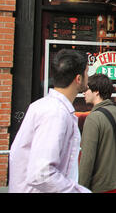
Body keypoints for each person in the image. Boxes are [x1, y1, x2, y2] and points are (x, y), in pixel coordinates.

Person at [9, 49, 91, 193]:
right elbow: (42, 174)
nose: (88, 77)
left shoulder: (43, 106)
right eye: (87, 72)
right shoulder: (56, 113)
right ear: (78, 79)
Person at [79, 74, 116, 193]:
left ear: (96, 92)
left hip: (100, 185)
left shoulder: (93, 118)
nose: (84, 93)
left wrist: (81, 187)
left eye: (86, 89)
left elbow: (87, 158)